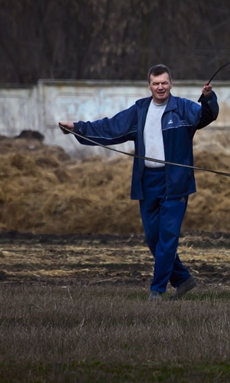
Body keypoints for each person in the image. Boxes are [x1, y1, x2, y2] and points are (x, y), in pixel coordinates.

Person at [59, 64, 218, 301]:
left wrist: (208, 98)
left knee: (167, 238)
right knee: (153, 240)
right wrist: (78, 128)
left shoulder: (184, 108)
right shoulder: (140, 110)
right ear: (149, 85)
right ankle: (183, 279)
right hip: (147, 182)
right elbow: (110, 127)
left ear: (171, 83)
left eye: (164, 82)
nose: (160, 87)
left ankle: (157, 291)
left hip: (175, 182)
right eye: (156, 83)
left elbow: (206, 115)